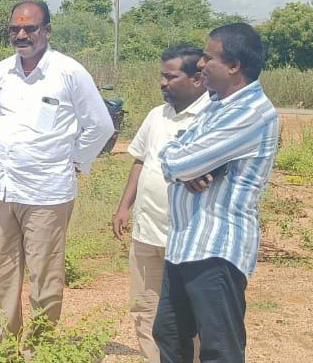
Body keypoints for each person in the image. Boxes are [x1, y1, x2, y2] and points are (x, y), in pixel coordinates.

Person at [0, 0, 114, 342]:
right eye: (15, 29)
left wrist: (76, 160)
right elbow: (1, 119)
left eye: (30, 28)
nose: (22, 34)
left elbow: (100, 125)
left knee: (44, 277)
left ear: (46, 31)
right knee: (2, 274)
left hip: (47, 193)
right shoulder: (2, 72)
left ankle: (38, 348)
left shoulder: (68, 72)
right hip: (3, 188)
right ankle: (7, 347)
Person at [153, 24, 279, 363]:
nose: (200, 64)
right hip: (185, 245)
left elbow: (180, 162)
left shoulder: (252, 112)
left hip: (216, 249)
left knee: (219, 348)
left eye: (209, 57)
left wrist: (184, 166)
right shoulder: (215, 104)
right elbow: (173, 151)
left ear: (234, 65)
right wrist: (184, 166)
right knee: (169, 335)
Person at [111, 45, 209, 363]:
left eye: (170, 76)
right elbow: (140, 160)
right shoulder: (156, 115)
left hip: (187, 239)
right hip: (146, 233)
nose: (162, 82)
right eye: (161, 76)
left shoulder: (212, 118)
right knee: (144, 310)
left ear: (197, 79)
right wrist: (124, 207)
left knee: (186, 318)